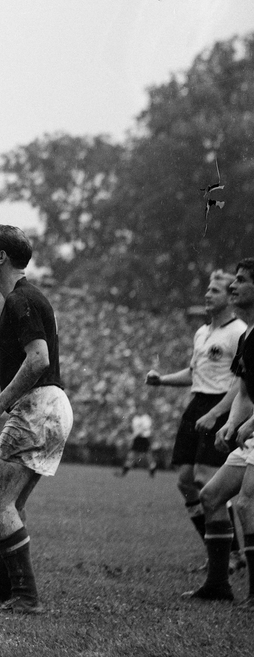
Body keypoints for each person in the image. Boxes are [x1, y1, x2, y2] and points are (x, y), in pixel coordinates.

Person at [0, 225, 73, 614]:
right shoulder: (28, 297)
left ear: (1, 257)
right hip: (52, 405)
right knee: (12, 502)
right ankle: (0, 586)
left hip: (38, 406)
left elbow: (38, 359)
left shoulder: (20, 300)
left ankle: (25, 596)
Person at [145, 270, 246, 549]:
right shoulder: (202, 332)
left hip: (221, 405)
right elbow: (193, 372)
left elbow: (242, 382)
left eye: (215, 290)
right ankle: (215, 550)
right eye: (208, 289)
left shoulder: (238, 332)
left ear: (230, 297)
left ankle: (233, 554)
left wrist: (217, 412)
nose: (207, 294)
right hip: (197, 403)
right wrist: (162, 380)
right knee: (186, 482)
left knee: (206, 480)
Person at [183, 257, 254, 603]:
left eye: (241, 281)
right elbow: (244, 389)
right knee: (211, 495)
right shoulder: (250, 335)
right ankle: (218, 585)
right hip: (248, 432)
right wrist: (230, 424)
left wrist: (247, 423)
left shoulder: (241, 331)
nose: (234, 286)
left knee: (246, 503)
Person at [117, 410, 156, 477]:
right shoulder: (136, 418)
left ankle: (152, 473)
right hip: (137, 439)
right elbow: (135, 429)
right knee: (131, 456)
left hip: (144, 439)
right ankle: (123, 473)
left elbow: (143, 429)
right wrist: (133, 436)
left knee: (148, 457)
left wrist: (133, 436)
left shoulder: (146, 418)